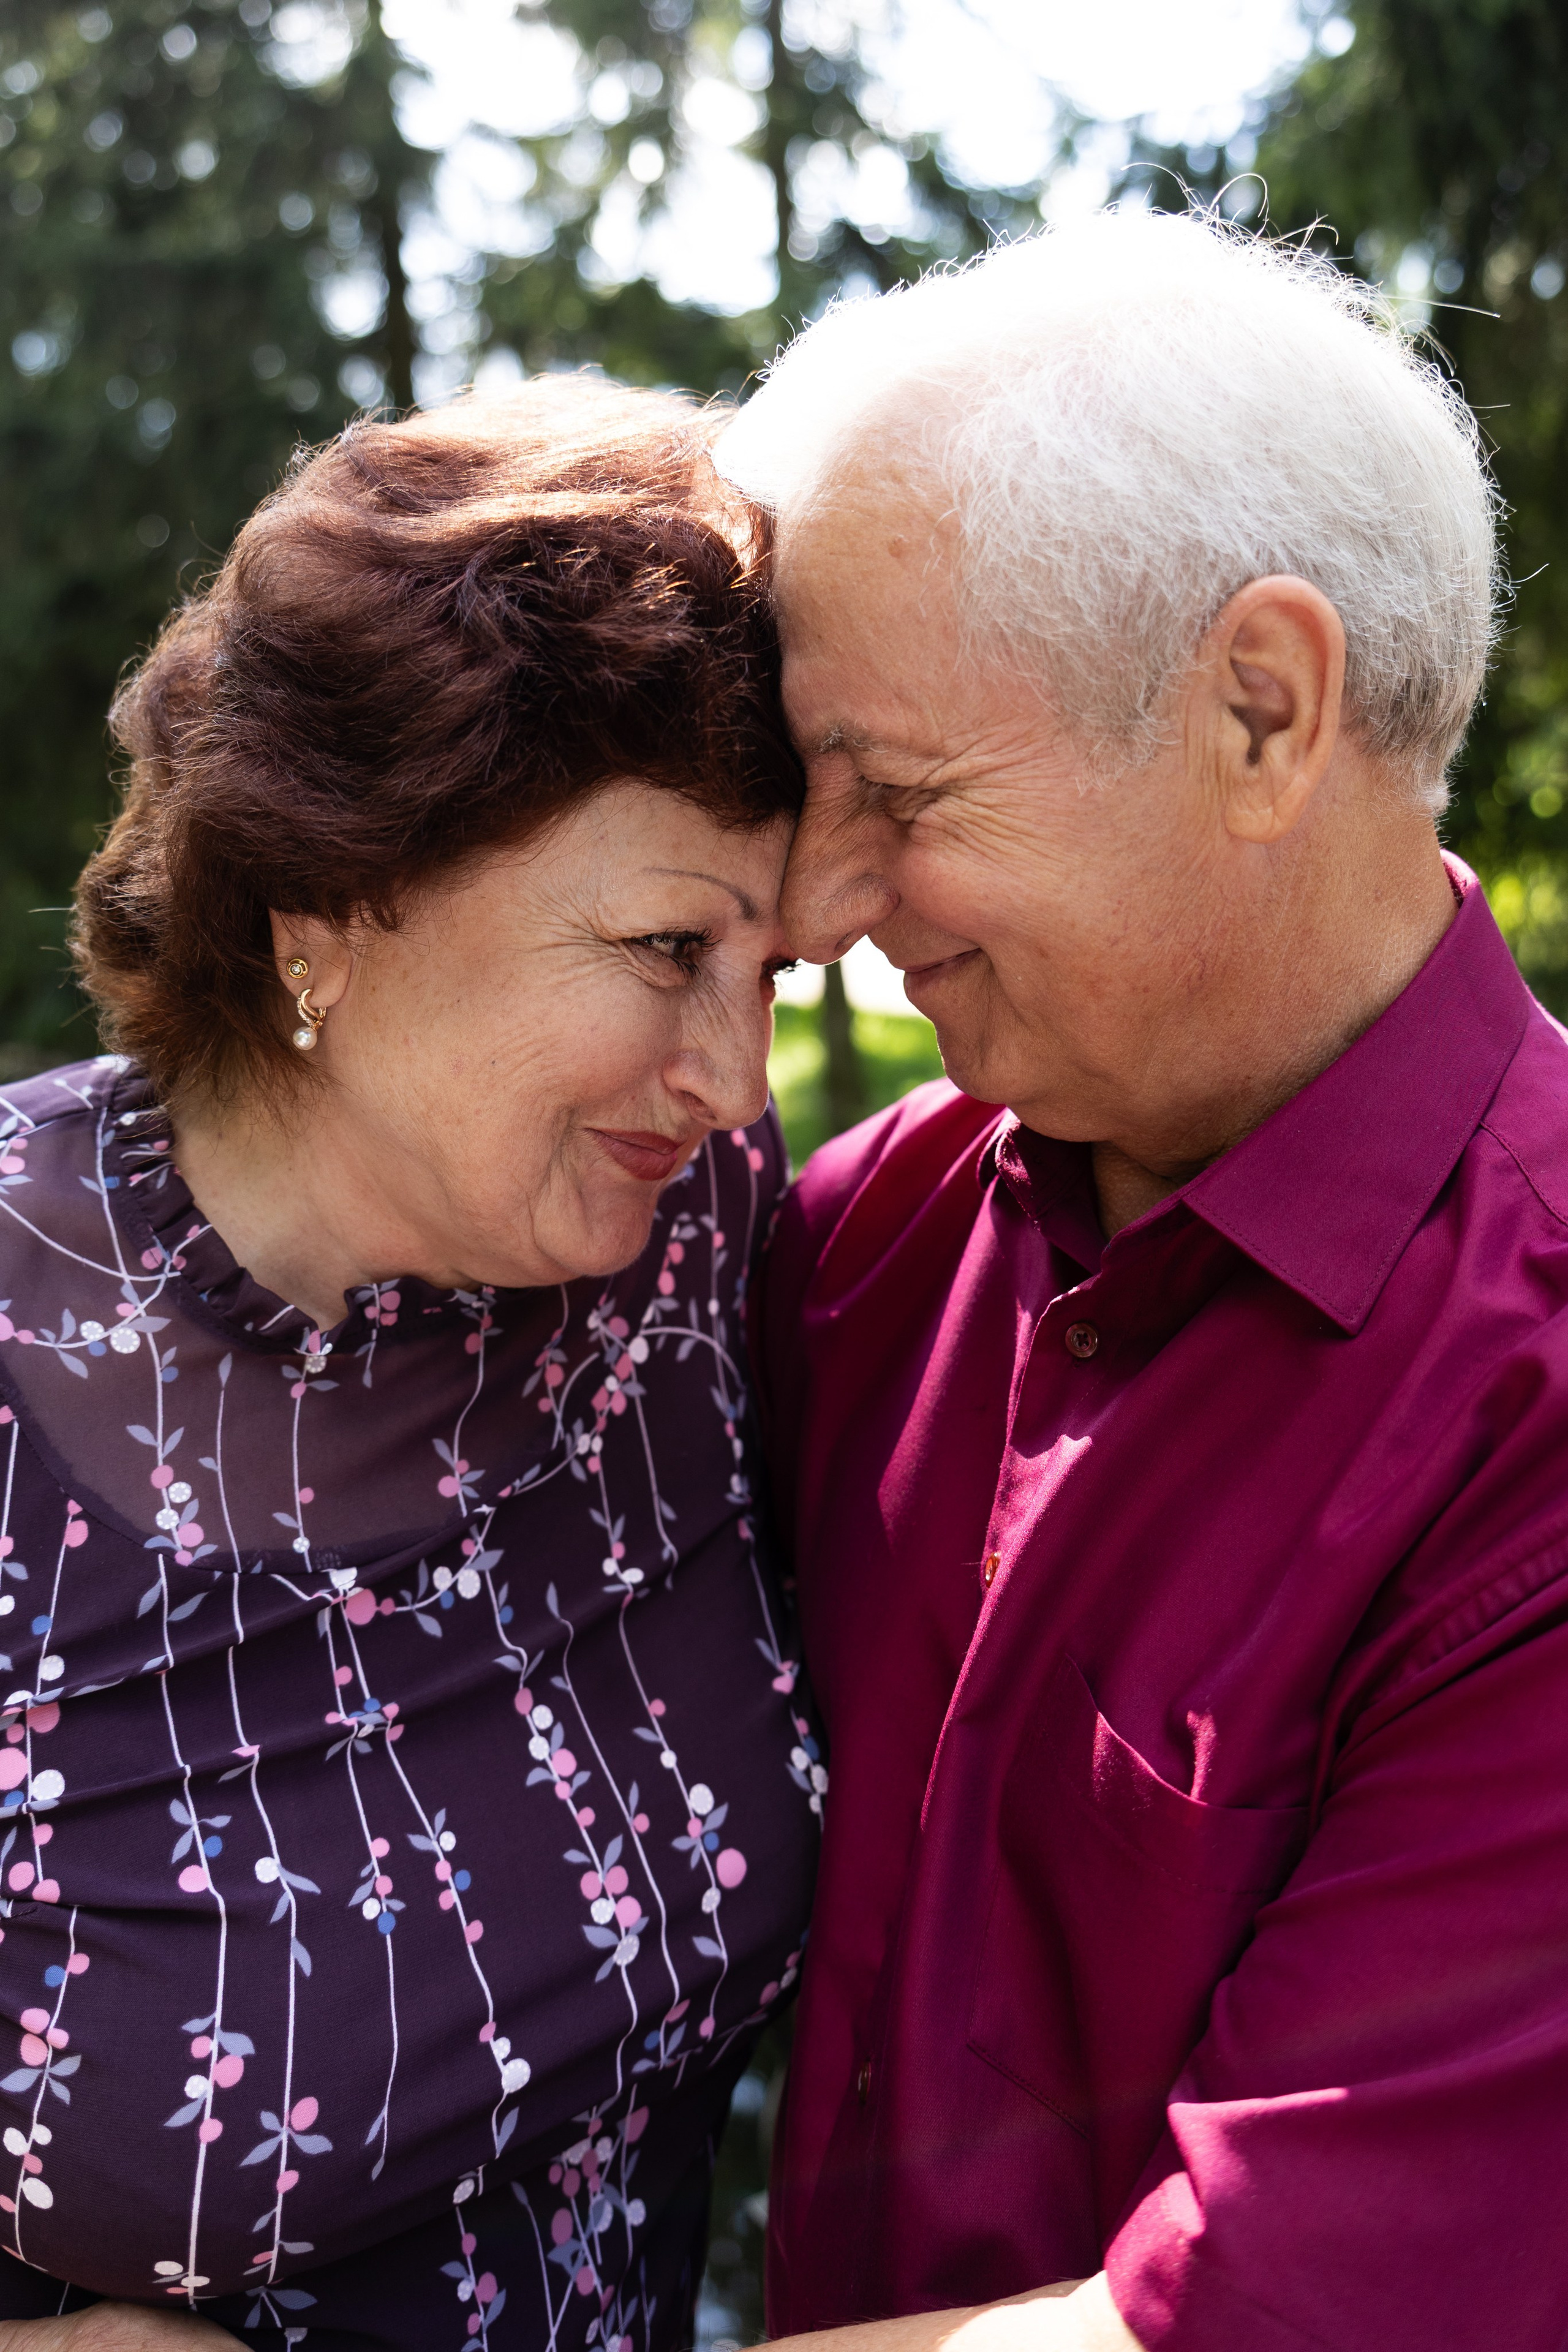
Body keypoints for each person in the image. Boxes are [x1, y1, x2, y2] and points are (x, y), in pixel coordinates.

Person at [717, 211, 1568, 2352]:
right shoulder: (868, 1236)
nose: (810, 905)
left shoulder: (1532, 1415)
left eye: (893, 791)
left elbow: (1235, 2330)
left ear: (1263, 713)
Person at [0, 380, 822, 2349]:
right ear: (333, 908)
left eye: (771, 975)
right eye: (662, 949)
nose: (733, 1073)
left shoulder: (679, 1247)